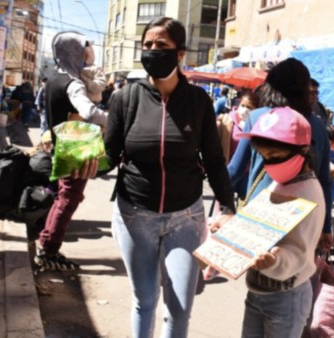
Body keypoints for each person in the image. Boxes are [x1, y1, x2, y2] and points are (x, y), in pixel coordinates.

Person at [104, 17, 235, 338]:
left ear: (180, 54)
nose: (151, 51)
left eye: (161, 46)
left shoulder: (198, 102)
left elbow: (215, 161)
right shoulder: (125, 98)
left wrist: (228, 208)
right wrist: (73, 157)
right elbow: (108, 155)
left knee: (179, 308)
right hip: (134, 215)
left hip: (186, 218)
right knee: (145, 300)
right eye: (147, 45)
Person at [236, 106, 325, 338]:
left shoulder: (308, 193)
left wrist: (274, 260)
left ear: (303, 149)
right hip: (257, 292)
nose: (269, 164)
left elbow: (299, 251)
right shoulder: (281, 183)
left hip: (287, 298)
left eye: (274, 157)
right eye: (264, 157)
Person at [228, 58, 334, 252]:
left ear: (270, 86)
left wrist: (223, 206)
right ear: (304, 89)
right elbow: (325, 180)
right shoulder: (317, 125)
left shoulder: (257, 117)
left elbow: (235, 170)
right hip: (304, 216)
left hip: (261, 215)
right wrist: (326, 227)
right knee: (298, 274)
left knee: (262, 274)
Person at [33, 31, 105, 271]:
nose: (87, 56)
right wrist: (117, 119)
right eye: (83, 51)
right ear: (74, 52)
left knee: (64, 196)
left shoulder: (54, 78)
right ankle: (48, 250)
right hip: (75, 144)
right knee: (69, 198)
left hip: (59, 142)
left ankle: (46, 245)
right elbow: (89, 113)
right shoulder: (73, 83)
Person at [216, 90, 260, 198]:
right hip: (229, 170)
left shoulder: (257, 124)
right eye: (243, 105)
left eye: (249, 107)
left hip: (247, 174)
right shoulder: (228, 120)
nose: (244, 109)